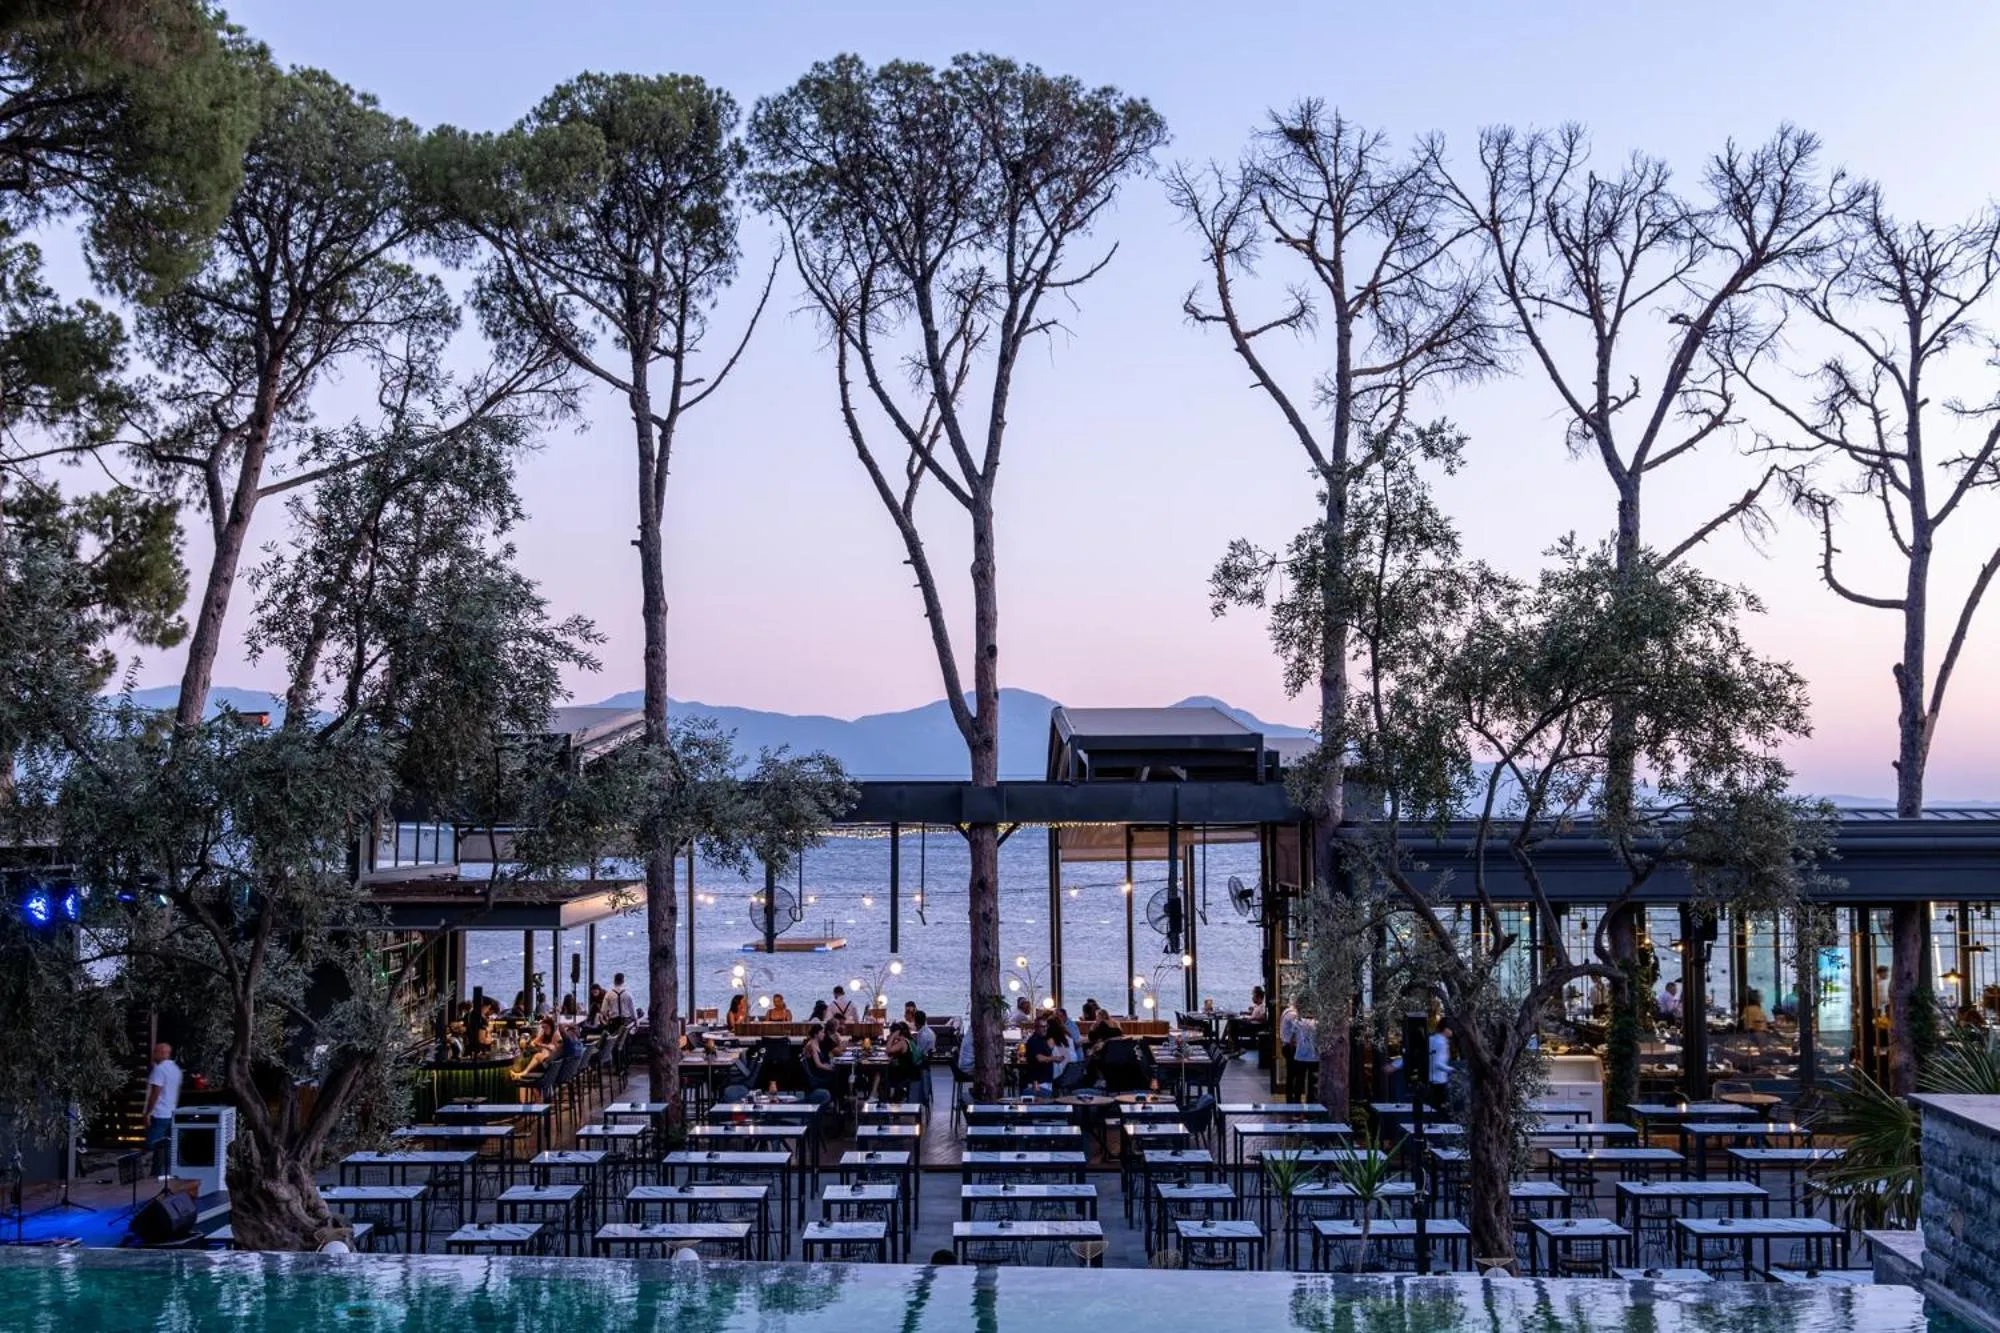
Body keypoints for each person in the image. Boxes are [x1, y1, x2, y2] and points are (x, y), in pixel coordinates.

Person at [144, 1043, 182, 1175]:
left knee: (152, 1144)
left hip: (160, 1113)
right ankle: (162, 1173)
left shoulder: (159, 1070)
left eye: (156, 1052)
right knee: (166, 1146)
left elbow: (155, 1093)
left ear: (163, 1053)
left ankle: (158, 1173)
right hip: (171, 1111)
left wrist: (148, 1112)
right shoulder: (175, 1069)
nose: (153, 1055)